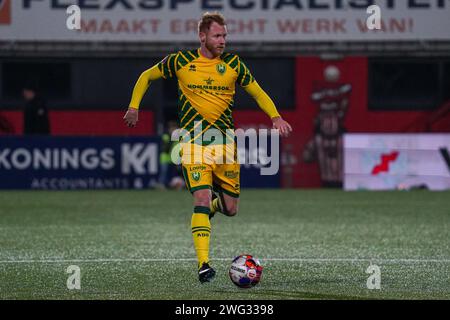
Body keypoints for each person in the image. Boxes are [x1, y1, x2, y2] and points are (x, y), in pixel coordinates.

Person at [123, 12, 292, 283]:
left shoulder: (234, 64)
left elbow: (257, 91)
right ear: (202, 36)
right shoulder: (181, 61)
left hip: (226, 146)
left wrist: (275, 116)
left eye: (225, 35)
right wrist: (134, 106)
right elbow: (146, 76)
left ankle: (212, 207)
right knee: (200, 198)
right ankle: (204, 263)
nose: (223, 40)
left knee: (231, 209)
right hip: (193, 143)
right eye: (217, 35)